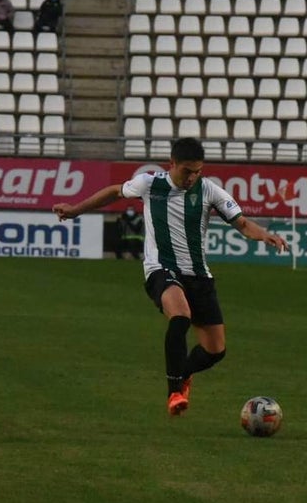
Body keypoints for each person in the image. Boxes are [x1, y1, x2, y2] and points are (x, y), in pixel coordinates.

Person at [52, 138, 289, 416]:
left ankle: (185, 373)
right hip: (160, 270)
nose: (192, 177)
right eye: (187, 171)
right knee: (180, 316)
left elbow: (242, 223)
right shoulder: (149, 184)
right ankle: (174, 392)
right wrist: (76, 210)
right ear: (172, 164)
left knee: (215, 350)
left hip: (198, 276)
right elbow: (115, 191)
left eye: (198, 171)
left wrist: (265, 235)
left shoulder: (209, 190)